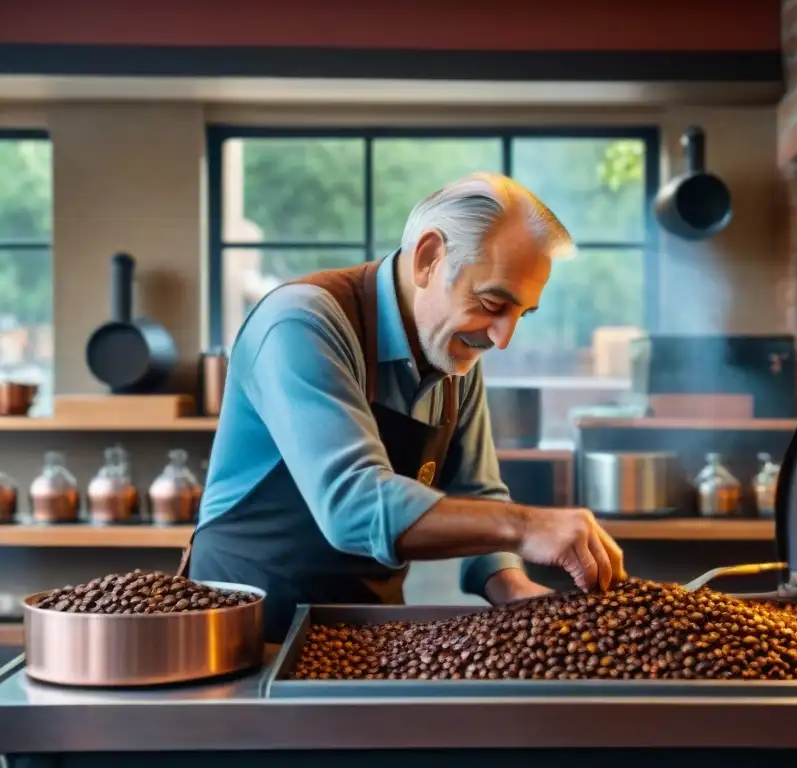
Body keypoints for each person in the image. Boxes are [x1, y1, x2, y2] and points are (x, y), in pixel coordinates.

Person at [180, 173, 627, 641]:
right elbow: (353, 504)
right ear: (429, 258)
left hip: (366, 632)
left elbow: (479, 494)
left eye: (522, 315)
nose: (503, 338)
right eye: (493, 302)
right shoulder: (301, 323)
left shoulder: (455, 357)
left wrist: (512, 588)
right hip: (243, 632)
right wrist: (527, 527)